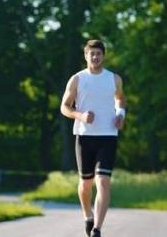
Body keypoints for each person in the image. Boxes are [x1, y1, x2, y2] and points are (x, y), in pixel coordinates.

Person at [60, 39, 126, 237]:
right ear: (86, 56)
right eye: (92, 54)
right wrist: (80, 115)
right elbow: (64, 107)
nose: (95, 57)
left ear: (103, 56)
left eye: (98, 53)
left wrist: (121, 114)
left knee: (103, 181)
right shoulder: (77, 79)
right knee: (85, 184)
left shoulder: (114, 79)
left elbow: (120, 99)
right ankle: (87, 215)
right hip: (84, 136)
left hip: (108, 135)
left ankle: (97, 228)